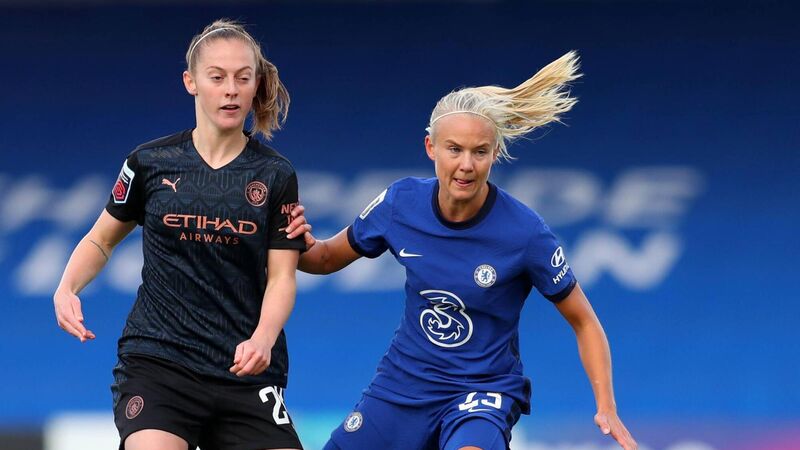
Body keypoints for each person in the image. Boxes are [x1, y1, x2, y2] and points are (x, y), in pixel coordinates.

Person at [296, 51, 637, 450]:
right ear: (431, 147)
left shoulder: (526, 232)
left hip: (481, 391)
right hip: (404, 385)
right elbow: (323, 258)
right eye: (454, 149)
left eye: (480, 151)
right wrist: (286, 239)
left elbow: (585, 322)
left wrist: (606, 406)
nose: (466, 165)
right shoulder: (399, 203)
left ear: (495, 154)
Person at [53, 19, 311, 450]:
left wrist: (263, 339)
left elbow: (283, 276)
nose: (231, 90)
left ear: (256, 84)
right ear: (191, 82)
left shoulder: (276, 174)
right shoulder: (149, 162)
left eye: (242, 78)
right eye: (217, 77)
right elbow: (101, 239)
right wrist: (67, 287)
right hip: (159, 364)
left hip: (244, 371)